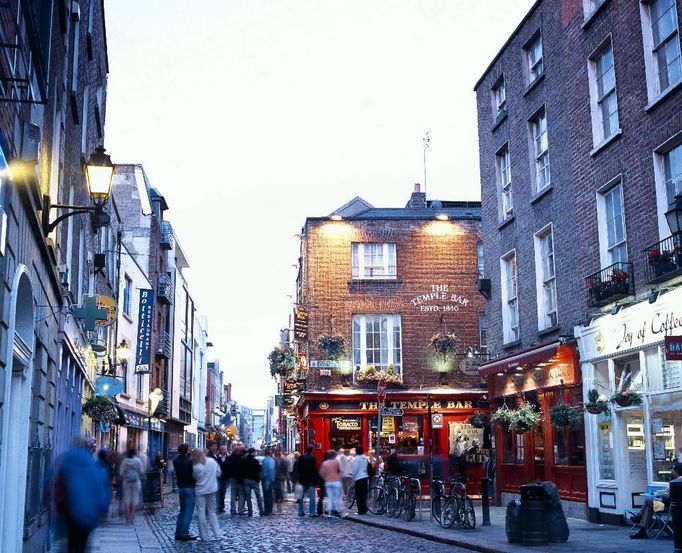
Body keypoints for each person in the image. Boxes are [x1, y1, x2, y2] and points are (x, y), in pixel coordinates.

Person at [54, 438, 111, 553]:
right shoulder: (94, 467)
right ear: (88, 449)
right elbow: (102, 492)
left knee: (71, 540)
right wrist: (102, 510)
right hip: (88, 514)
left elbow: (50, 483)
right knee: (82, 544)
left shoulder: (64, 462)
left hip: (68, 511)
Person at [630, 462, 682, 539]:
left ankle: (639, 518)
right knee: (649, 507)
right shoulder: (677, 480)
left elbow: (674, 497)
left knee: (648, 501)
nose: (672, 472)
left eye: (673, 470)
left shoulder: (677, 482)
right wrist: (662, 499)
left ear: (677, 471)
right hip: (668, 506)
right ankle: (642, 531)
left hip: (670, 508)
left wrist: (662, 499)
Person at [191, 448, 223, 541]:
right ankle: (218, 534)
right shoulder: (212, 461)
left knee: (201, 513)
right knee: (212, 513)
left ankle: (204, 536)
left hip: (200, 490)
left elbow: (195, 477)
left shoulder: (196, 466)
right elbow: (218, 473)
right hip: (212, 489)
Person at [173, 443, 198, 541]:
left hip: (181, 487)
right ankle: (184, 532)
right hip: (190, 487)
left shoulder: (175, 461)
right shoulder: (190, 462)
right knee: (188, 511)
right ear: (187, 450)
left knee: (182, 510)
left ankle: (178, 532)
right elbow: (194, 474)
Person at [118, 448, 144, 523]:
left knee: (127, 499)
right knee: (134, 499)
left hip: (126, 481)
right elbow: (141, 471)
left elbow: (121, 473)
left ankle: (127, 515)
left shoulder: (125, 461)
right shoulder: (138, 461)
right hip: (136, 482)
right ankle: (132, 516)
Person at [319, 450, 345, 517]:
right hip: (336, 481)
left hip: (328, 482)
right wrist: (339, 477)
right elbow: (342, 470)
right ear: (334, 455)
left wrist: (325, 478)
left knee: (330, 497)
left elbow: (321, 473)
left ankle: (329, 511)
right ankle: (341, 511)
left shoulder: (325, 463)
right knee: (338, 497)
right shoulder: (337, 462)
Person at [241, 448, 265, 516]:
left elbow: (242, 471)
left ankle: (250, 512)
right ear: (253, 452)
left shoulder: (244, 460)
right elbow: (258, 470)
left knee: (248, 497)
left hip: (246, 480)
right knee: (258, 496)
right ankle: (261, 511)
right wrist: (258, 479)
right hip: (254, 480)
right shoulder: (255, 461)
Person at [298, 445, 318, 517]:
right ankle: (312, 512)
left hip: (303, 479)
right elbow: (314, 470)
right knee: (312, 496)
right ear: (312, 450)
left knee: (301, 496)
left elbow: (299, 468)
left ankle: (300, 511)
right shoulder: (313, 458)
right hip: (311, 479)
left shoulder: (301, 457)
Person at [209, 443, 229, 513]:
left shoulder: (228, 458)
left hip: (225, 478)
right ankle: (218, 507)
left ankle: (222, 507)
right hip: (217, 478)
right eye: (222, 449)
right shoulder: (216, 458)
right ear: (220, 450)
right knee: (218, 493)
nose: (224, 451)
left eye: (225, 449)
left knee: (223, 493)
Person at [350, 445, 370, 515]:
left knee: (358, 495)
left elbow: (355, 469)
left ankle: (360, 510)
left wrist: (353, 477)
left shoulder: (356, 459)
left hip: (359, 478)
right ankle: (364, 509)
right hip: (365, 477)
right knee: (363, 494)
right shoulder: (365, 458)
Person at [226, 447, 244, 515]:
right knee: (241, 495)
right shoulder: (242, 459)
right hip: (240, 479)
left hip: (233, 478)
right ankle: (240, 509)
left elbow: (228, 468)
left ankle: (233, 510)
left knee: (233, 494)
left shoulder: (230, 458)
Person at [261, 447, 276, 515]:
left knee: (266, 495)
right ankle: (269, 509)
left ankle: (267, 509)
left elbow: (264, 471)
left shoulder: (265, 460)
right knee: (270, 495)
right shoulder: (272, 460)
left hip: (266, 479)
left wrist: (261, 477)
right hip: (272, 479)